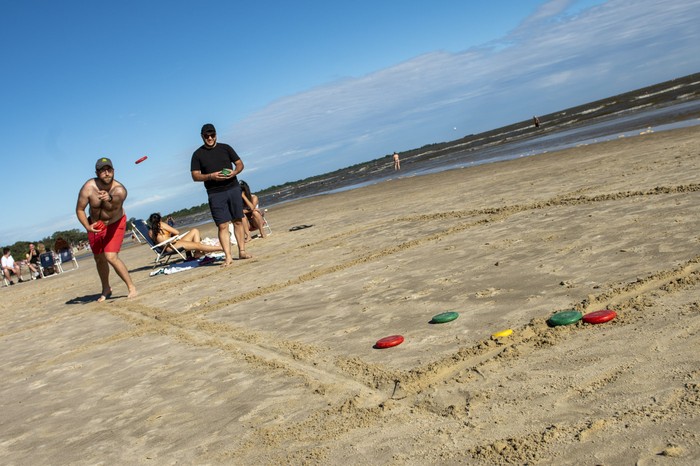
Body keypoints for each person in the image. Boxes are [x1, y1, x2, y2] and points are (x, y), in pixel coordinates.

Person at [76, 157, 137, 302]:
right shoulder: (88, 188)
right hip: (96, 225)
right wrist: (87, 226)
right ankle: (106, 288)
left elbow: (116, 201)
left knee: (110, 256)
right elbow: (79, 209)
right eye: (103, 171)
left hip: (115, 223)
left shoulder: (120, 190)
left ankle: (131, 287)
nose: (107, 173)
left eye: (109, 170)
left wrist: (109, 198)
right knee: (99, 259)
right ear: (97, 173)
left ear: (114, 171)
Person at [190, 123, 251, 266]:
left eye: (212, 135)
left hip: (233, 188)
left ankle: (242, 251)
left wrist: (235, 172)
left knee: (237, 220)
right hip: (215, 193)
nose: (210, 138)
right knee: (222, 225)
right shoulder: (197, 154)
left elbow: (240, 163)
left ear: (216, 134)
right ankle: (228, 256)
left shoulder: (226, 148)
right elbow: (195, 176)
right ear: (202, 136)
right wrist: (211, 176)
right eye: (206, 136)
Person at [147, 213, 224, 257]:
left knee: (194, 231)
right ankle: (221, 248)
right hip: (172, 245)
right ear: (160, 219)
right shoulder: (161, 224)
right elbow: (176, 232)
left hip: (168, 246)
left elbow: (158, 241)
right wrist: (169, 236)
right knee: (197, 245)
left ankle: (197, 253)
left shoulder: (150, 232)